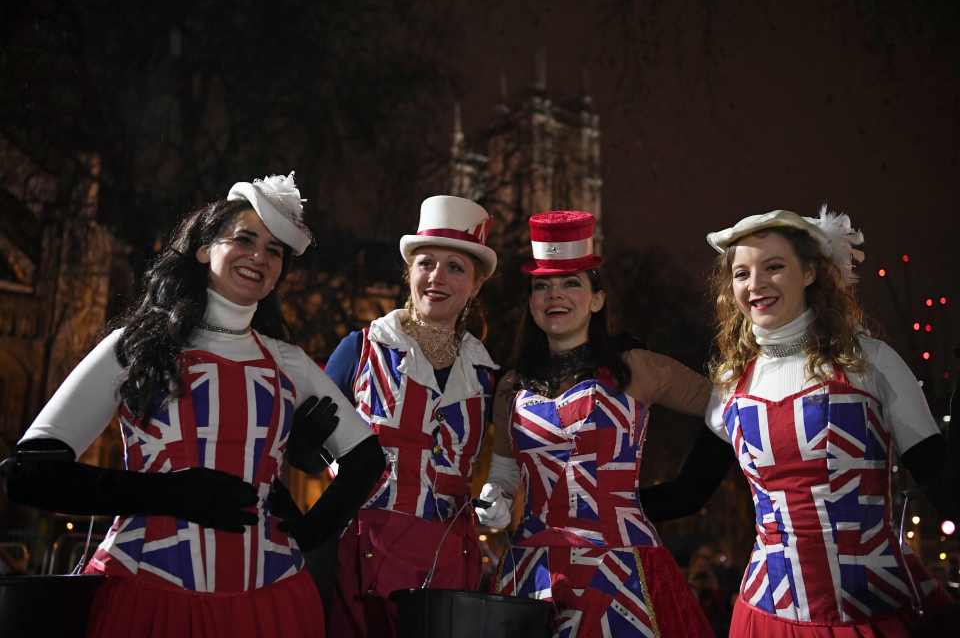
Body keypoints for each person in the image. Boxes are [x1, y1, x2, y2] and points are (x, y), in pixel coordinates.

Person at [2, 172, 384, 638]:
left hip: (274, 605)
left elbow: (367, 458)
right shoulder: (138, 345)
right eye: (245, 239)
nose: (259, 257)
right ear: (204, 249)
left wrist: (311, 529)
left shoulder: (290, 361)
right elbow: (29, 473)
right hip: (147, 601)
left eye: (274, 250)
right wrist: (166, 494)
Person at [699, 207, 956, 636]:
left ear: (811, 273)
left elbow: (943, 483)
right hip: (762, 620)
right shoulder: (728, 384)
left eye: (774, 266)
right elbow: (690, 491)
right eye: (741, 273)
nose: (755, 284)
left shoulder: (871, 362)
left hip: (872, 615)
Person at [476, 210, 714, 637]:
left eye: (571, 283)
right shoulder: (511, 386)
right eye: (542, 286)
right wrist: (494, 497)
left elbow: (731, 407)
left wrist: (686, 493)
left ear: (597, 298)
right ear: (531, 302)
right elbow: (505, 471)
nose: (555, 295)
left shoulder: (637, 369)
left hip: (622, 574)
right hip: (533, 576)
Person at [319, 195, 498, 637]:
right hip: (361, 554)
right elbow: (303, 439)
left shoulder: (488, 376)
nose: (437, 277)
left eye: (455, 267)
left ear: (475, 286)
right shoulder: (359, 350)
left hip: (448, 561)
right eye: (426, 263)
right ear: (409, 272)